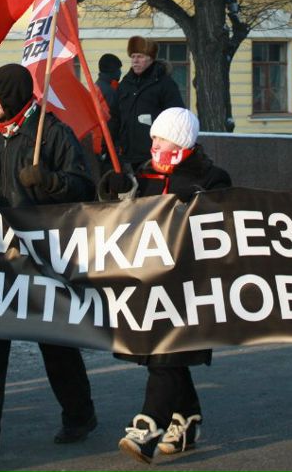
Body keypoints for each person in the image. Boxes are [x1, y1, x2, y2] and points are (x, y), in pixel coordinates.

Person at [0, 64, 97, 460]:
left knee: (56, 341)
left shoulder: (51, 132)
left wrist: (51, 182)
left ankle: (79, 415)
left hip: (43, 255)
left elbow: (85, 186)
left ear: (15, 93)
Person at [99, 107, 230, 463]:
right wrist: (115, 192)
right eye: (153, 136)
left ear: (181, 140)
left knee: (166, 354)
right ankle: (186, 421)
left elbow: (224, 225)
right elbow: (121, 218)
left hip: (191, 287)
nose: (153, 142)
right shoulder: (144, 176)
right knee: (167, 354)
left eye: (160, 137)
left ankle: (149, 425)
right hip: (150, 285)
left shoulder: (211, 178)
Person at [109, 36, 184, 170]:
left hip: (154, 156)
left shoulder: (165, 84)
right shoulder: (125, 85)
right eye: (132, 57)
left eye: (140, 56)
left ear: (151, 58)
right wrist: (109, 146)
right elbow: (115, 117)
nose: (135, 61)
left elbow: (176, 118)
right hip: (126, 156)